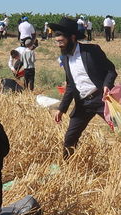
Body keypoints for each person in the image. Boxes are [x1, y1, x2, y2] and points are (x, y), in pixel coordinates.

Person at [50, 16, 117, 156]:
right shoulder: (66, 58)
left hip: (102, 99)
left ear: (73, 38)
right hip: (83, 104)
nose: (59, 45)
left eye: (61, 41)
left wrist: (106, 86)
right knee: (70, 139)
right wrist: (62, 109)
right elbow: (70, 85)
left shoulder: (91, 51)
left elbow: (111, 70)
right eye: (57, 42)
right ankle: (67, 168)